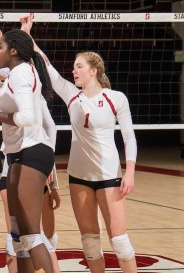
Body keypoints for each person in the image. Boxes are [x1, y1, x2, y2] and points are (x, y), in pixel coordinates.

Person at [0, 10, 56, 270]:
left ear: (14, 51)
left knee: (30, 232)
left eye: (0, 47)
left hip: (33, 152)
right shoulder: (14, 72)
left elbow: (26, 117)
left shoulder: (21, 74)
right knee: (18, 233)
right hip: (18, 155)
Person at [47, 50, 138, 272]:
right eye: (74, 67)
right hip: (79, 177)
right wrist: (27, 35)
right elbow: (48, 68)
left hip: (109, 176)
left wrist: (130, 172)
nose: (74, 71)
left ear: (93, 71)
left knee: (119, 242)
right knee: (89, 243)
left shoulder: (115, 97)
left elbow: (129, 137)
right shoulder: (71, 95)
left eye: (79, 66)